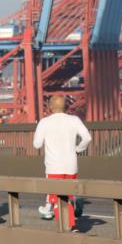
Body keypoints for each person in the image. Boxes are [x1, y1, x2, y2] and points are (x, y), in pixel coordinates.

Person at [33, 94, 92, 232]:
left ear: (50, 107)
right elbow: (87, 138)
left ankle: (69, 227)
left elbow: (37, 144)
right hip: (71, 165)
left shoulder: (44, 122)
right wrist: (78, 149)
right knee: (67, 196)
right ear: (65, 106)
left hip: (54, 166)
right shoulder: (74, 120)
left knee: (57, 200)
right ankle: (71, 215)